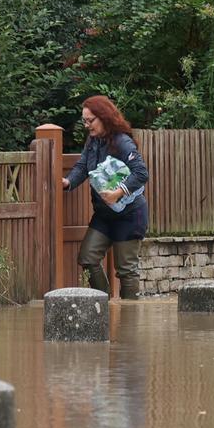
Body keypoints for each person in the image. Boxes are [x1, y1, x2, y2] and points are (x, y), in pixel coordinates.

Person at [61, 95, 149, 299]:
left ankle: (129, 320)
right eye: (84, 121)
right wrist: (68, 182)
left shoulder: (122, 142)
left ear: (105, 117)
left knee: (126, 270)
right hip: (104, 215)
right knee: (87, 258)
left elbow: (142, 173)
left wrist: (118, 193)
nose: (87, 125)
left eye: (90, 120)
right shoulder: (92, 141)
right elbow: (83, 166)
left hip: (129, 215)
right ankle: (103, 307)